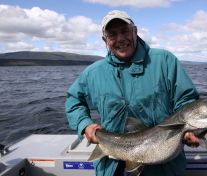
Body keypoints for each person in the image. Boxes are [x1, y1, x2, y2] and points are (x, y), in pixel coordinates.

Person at [65, 10, 199, 176]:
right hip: (111, 167)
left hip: (162, 167)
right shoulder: (92, 73)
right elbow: (74, 101)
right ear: (105, 40)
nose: (120, 38)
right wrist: (85, 124)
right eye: (112, 34)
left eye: (125, 31)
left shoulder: (165, 61)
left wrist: (188, 129)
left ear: (135, 31)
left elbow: (186, 100)